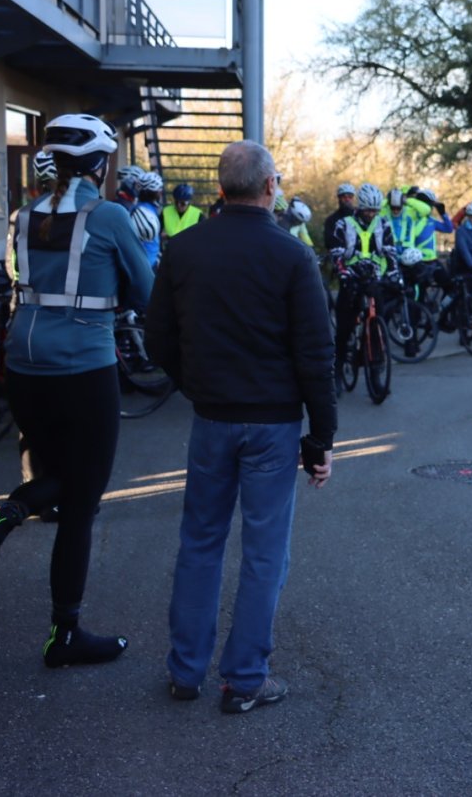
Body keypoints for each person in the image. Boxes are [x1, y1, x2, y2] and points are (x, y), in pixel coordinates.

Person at [0, 113, 153, 668]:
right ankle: (63, 634)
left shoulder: (23, 214)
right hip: (83, 367)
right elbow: (144, 290)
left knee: (55, 478)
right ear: (99, 163)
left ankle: (3, 522)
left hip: (23, 362)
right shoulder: (109, 214)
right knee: (82, 499)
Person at [146, 140, 336, 713]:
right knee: (264, 552)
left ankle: (185, 671)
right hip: (273, 426)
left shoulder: (184, 249)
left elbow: (158, 340)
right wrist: (321, 437)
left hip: (213, 419)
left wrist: (194, 385)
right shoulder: (291, 256)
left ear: (219, 190)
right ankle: (246, 678)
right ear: (271, 186)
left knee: (199, 543)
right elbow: (315, 354)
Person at [329, 183, 396, 391]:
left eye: (375, 210)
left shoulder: (383, 224)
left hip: (374, 279)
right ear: (360, 207)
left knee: (377, 326)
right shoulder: (344, 224)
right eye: (368, 210)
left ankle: (375, 373)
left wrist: (394, 276)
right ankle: (338, 370)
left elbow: (390, 252)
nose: (371, 214)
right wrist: (344, 274)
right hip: (351, 279)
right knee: (344, 328)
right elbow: (337, 254)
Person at [132, 170, 163, 268]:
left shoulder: (146, 208)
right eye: (159, 190)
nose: (161, 193)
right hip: (146, 265)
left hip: (150, 261)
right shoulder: (142, 212)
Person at [323, 183, 356, 253]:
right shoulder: (331, 220)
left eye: (350, 197)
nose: (347, 199)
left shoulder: (360, 216)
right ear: (339, 198)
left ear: (353, 198)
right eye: (344, 197)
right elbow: (329, 243)